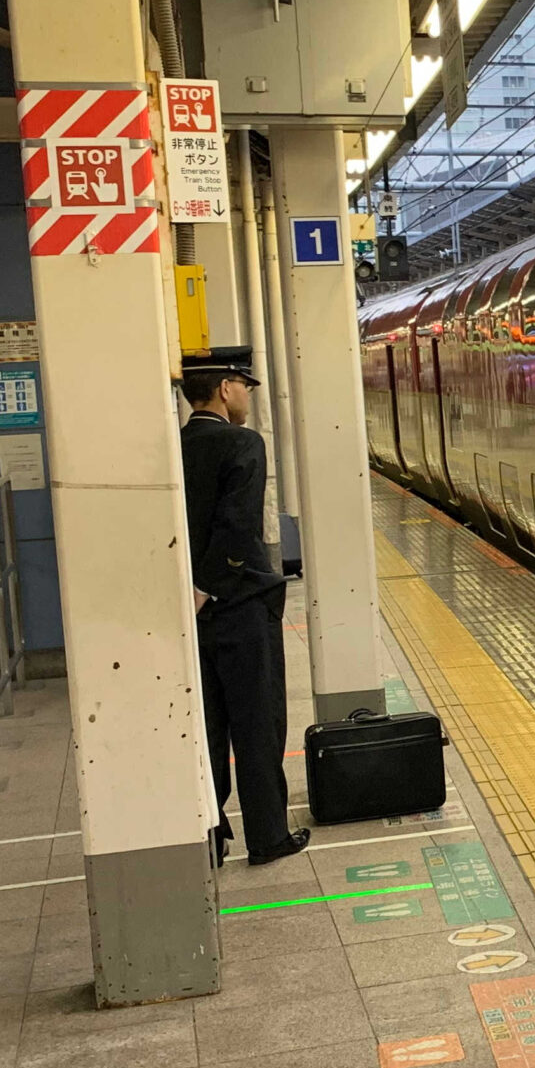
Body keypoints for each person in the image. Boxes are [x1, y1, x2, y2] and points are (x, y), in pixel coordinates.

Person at [179, 351, 310, 866]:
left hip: (192, 615)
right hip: (240, 606)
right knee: (257, 724)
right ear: (225, 387)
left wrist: (191, 594)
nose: (249, 396)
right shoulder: (242, 443)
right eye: (245, 386)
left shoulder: (175, 446)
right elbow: (237, 526)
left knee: (207, 728)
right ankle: (268, 835)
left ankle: (210, 835)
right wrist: (209, 586)